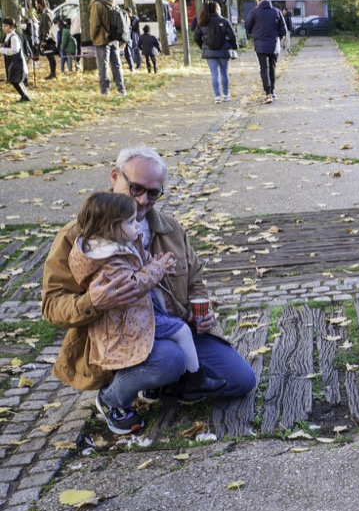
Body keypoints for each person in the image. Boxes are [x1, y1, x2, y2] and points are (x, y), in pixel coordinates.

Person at [42, 146, 257, 434]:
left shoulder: (170, 227)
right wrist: (92, 301)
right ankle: (112, 398)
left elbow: (194, 277)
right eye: (136, 188)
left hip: (175, 326)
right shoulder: (79, 237)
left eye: (153, 193)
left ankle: (164, 384)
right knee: (170, 358)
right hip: (120, 337)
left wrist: (201, 308)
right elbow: (52, 306)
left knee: (242, 380)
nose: (143, 201)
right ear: (115, 176)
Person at [68, 193, 206, 432]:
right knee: (177, 340)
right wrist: (157, 268)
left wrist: (155, 262)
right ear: (113, 227)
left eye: (154, 191)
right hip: (123, 325)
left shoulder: (120, 243)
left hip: (139, 318)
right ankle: (113, 398)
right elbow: (131, 285)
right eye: (131, 222)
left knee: (236, 378)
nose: (137, 225)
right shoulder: (107, 258)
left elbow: (142, 264)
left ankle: (169, 385)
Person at [244, 0, 286, 104]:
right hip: (274, 44)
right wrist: (278, 38)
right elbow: (284, 29)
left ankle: (268, 93)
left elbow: (247, 26)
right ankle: (272, 91)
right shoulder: (276, 11)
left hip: (260, 45)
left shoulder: (254, 12)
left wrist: (254, 34)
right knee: (272, 68)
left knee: (264, 68)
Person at [193, 0, 238, 103]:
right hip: (223, 51)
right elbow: (232, 36)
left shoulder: (202, 22)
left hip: (209, 52)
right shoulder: (224, 21)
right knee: (224, 73)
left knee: (214, 73)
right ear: (216, 9)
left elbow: (196, 37)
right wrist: (234, 46)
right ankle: (226, 94)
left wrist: (203, 46)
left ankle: (217, 96)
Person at [89, 0, 126, 97]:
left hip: (102, 38)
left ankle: (104, 91)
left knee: (103, 65)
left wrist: (93, 37)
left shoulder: (97, 5)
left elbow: (94, 24)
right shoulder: (112, 3)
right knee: (116, 64)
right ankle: (121, 89)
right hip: (114, 38)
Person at [1, 18, 31, 102]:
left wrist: (2, 50)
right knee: (15, 80)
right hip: (14, 61)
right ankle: (25, 95)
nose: (3, 28)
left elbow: (14, 50)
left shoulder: (13, 37)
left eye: (6, 26)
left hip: (18, 62)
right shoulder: (8, 36)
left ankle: (25, 96)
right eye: (2, 26)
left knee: (15, 80)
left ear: (12, 27)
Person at [34, 0, 56, 79]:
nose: (36, 6)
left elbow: (47, 28)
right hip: (45, 38)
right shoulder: (44, 13)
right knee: (49, 56)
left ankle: (53, 73)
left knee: (50, 57)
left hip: (48, 39)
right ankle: (52, 73)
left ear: (40, 4)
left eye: (36, 4)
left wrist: (44, 40)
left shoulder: (47, 14)